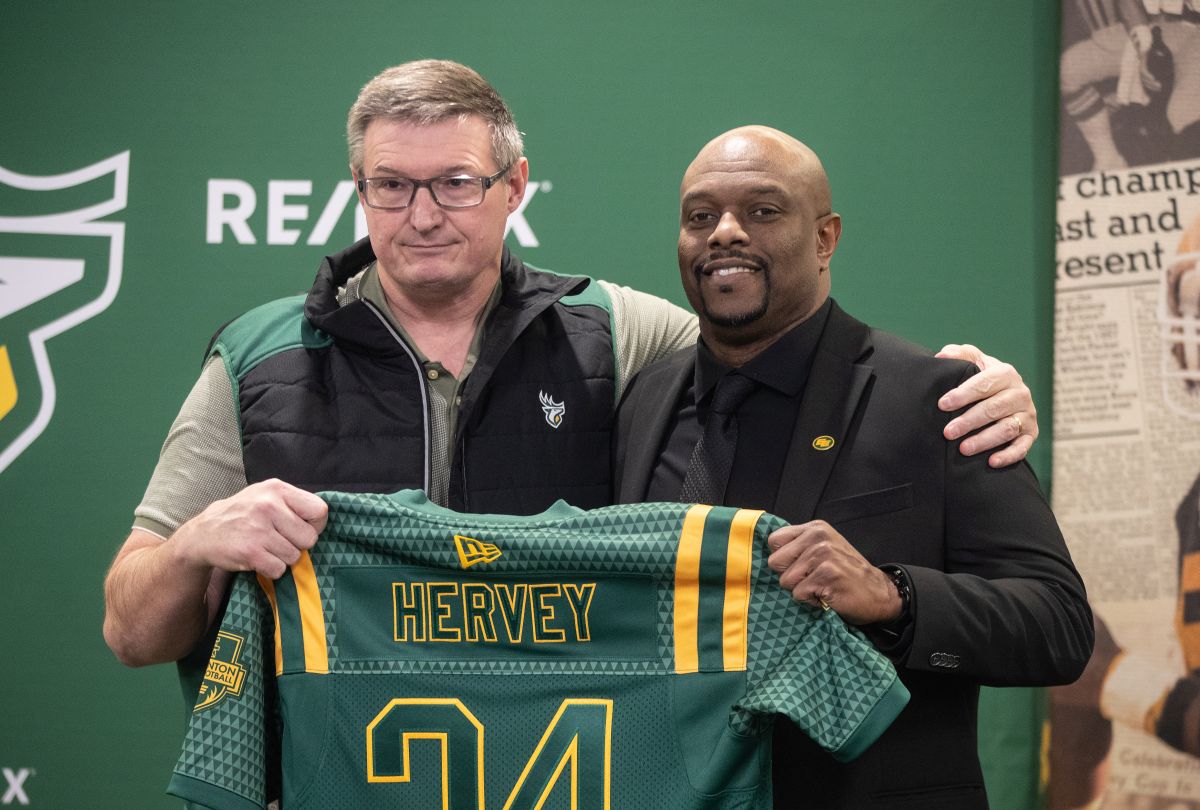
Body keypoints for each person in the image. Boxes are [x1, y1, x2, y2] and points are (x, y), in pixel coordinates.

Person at [103, 61, 1039, 675]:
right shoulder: (259, 355)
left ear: (514, 188)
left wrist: (970, 383)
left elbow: (785, 351)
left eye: (456, 183)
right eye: (391, 185)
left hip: (562, 773)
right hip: (330, 771)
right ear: (360, 191)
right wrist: (194, 546)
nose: (422, 214)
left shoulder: (621, 333)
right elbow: (130, 630)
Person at [613, 125, 1094, 809]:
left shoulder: (942, 399)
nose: (723, 233)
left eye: (762, 210)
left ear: (825, 238)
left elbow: (1059, 629)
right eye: (700, 216)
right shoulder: (643, 402)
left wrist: (894, 597)